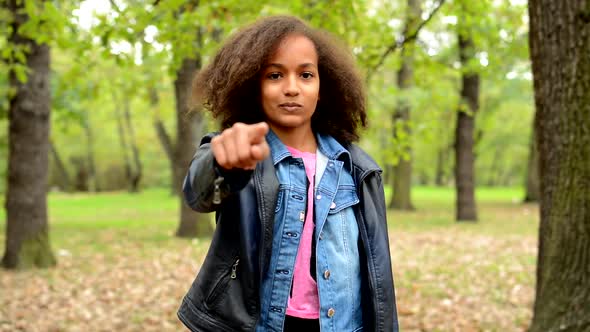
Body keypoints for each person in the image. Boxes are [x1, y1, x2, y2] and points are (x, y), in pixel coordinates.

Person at [177, 15, 399, 332]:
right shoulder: (240, 151)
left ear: (323, 87)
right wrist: (220, 161)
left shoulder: (358, 169)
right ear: (254, 85)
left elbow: (378, 275)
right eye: (275, 75)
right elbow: (198, 192)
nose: (292, 88)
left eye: (306, 75)